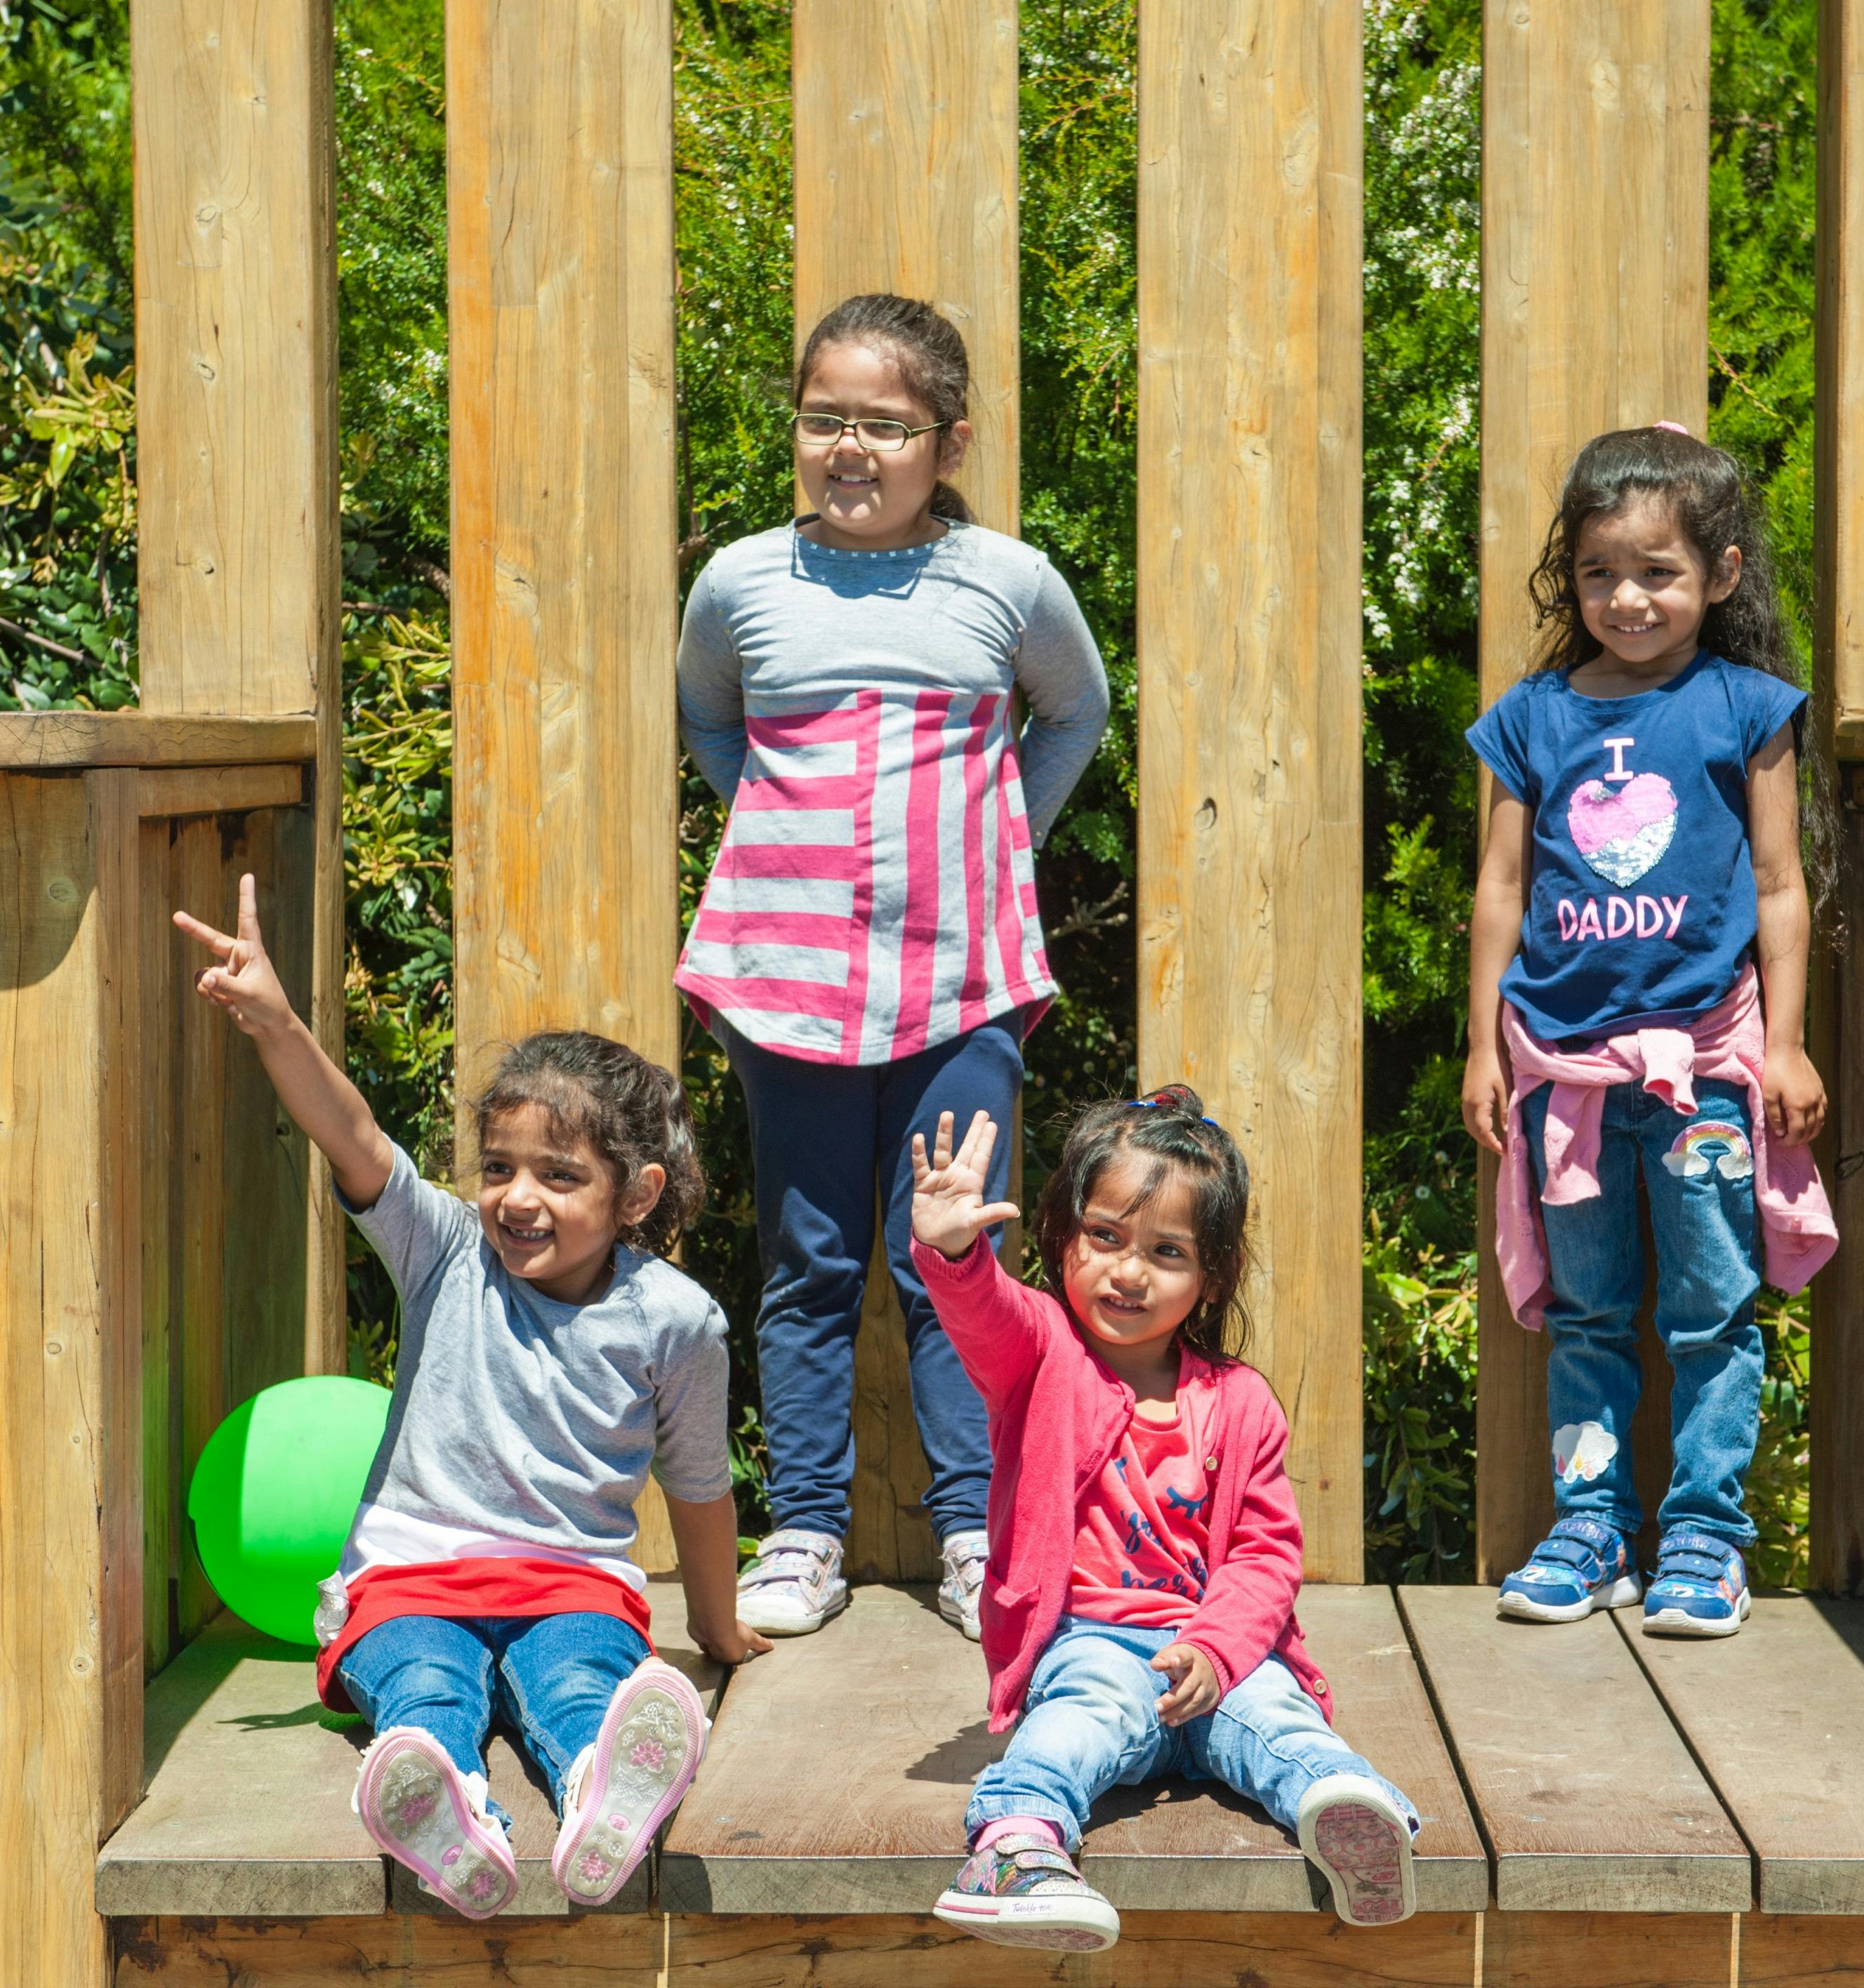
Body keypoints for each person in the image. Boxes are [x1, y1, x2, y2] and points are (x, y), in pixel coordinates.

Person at [176, 875, 769, 1919]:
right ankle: (448, 1809)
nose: (517, 1197)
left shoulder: (676, 1320)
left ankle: (602, 1791)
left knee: (585, 1682)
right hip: (411, 1578)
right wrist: (275, 1024)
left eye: (558, 1176)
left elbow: (701, 1489)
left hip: (570, 1582)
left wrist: (716, 1631)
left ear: (635, 1196)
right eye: (499, 1167)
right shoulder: (444, 1251)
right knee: (420, 1686)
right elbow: (352, 1134)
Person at [677, 293, 1111, 1643]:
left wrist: (1001, 845)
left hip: (961, 983)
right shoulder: (742, 582)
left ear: (949, 437)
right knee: (807, 1262)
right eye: (823, 420)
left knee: (952, 1261)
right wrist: (784, 843)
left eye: (883, 423)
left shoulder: (1010, 582)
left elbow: (1077, 710)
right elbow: (711, 716)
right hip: (786, 982)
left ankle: (978, 1531)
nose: (847, 448)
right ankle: (802, 1528)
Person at [1460, 423, 1839, 1640]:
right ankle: (1588, 1527)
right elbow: (1501, 888)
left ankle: (1707, 1538)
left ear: (1722, 574)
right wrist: (1483, 1047)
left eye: (1659, 573)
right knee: (1585, 1313)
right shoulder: (1530, 717)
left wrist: (1785, 1043)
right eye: (1598, 574)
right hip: (1561, 1073)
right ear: (1569, 578)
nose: (1627, 598)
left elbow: (1782, 884)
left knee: (1712, 1310)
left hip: (1704, 1073)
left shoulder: (1747, 706)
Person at [908, 1090, 1420, 1953]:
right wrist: (951, 1247)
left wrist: (1218, 1652)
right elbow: (982, 1309)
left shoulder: (1241, 1401)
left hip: (1216, 1657)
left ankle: (1357, 1825)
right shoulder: (1038, 1353)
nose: (1129, 1272)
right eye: (1105, 1236)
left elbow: (1265, 1556)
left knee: (1282, 1723)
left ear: (1209, 1277)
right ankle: (1015, 1848)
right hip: (1092, 1642)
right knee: (1075, 1721)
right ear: (1062, 1237)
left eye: (1167, 1251)